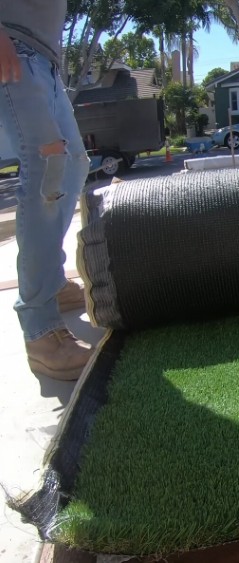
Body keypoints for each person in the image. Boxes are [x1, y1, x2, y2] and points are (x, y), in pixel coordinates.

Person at [1, 1, 93, 381]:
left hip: (44, 59)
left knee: (73, 165)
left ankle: (51, 284)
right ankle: (40, 329)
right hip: (13, 46)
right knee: (47, 168)